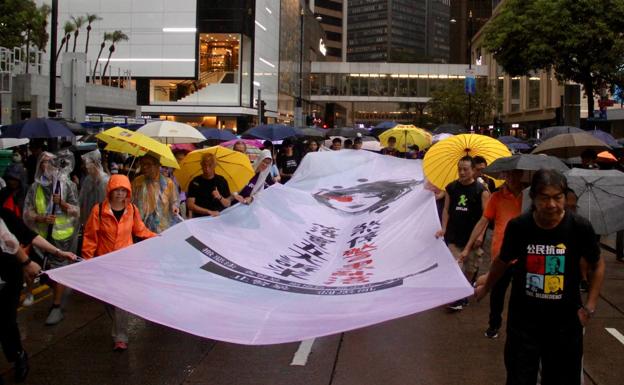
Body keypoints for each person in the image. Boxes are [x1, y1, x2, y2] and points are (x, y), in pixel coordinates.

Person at [475, 169, 605, 385]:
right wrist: (487, 287)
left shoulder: (579, 227)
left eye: (558, 197)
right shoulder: (519, 227)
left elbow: (598, 264)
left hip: (565, 324)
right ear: (533, 198)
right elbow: (502, 262)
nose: (552, 204)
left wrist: (589, 306)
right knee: (519, 377)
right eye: (545, 198)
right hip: (524, 322)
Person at [0, 208, 76, 383]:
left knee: (6, 322)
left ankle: (18, 355)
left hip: (8, 277)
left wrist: (58, 252)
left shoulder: (5, 215)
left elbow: (26, 236)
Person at [82, 174, 156, 351]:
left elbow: (140, 230)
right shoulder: (98, 210)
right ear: (110, 190)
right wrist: (87, 260)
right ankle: (118, 326)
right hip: (105, 262)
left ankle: (120, 336)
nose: (120, 194)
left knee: (120, 299)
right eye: (117, 190)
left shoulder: (132, 210)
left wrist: (158, 237)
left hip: (125, 263)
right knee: (108, 299)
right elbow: (91, 237)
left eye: (124, 190)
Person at [460, 169, 524, 338]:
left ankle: (517, 328)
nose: (511, 178)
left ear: (522, 175)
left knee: (520, 296)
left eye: (515, 174)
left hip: (524, 254)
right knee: (497, 293)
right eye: (508, 175)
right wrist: (468, 246)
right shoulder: (496, 197)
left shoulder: (530, 197)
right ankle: (494, 325)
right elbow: (483, 220)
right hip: (501, 254)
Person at [23, 151, 80, 326]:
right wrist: (40, 218)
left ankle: (56, 306)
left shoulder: (67, 186)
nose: (47, 166)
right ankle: (38, 292)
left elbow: (76, 211)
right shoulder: (35, 187)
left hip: (63, 237)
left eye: (50, 162)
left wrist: (62, 203)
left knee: (59, 272)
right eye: (43, 163)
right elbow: (27, 212)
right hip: (41, 238)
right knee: (35, 269)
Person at [435, 155, 490, 310]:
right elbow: (446, 209)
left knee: (471, 268)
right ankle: (458, 299)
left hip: (473, 237)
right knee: (456, 266)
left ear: (473, 170)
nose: (462, 172)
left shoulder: (482, 191)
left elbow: (486, 216)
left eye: (465, 169)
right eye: (459, 169)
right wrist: (444, 228)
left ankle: (463, 294)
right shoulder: (451, 187)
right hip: (454, 235)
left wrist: (480, 235)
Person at [131, 155, 180, 233]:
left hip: (162, 228)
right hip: (142, 227)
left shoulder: (168, 183)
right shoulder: (137, 182)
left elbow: (174, 201)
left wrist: (175, 207)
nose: (144, 167)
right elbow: (131, 201)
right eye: (143, 164)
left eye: (148, 164)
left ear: (158, 165)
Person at [186, 153, 231, 217]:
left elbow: (228, 204)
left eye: (210, 165)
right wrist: (208, 212)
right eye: (205, 165)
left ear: (215, 165)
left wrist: (219, 197)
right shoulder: (195, 182)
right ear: (201, 165)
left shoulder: (221, 181)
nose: (207, 169)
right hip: (200, 219)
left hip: (219, 218)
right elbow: (190, 205)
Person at [78, 150, 109, 227]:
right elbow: (82, 201)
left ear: (95, 163)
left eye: (86, 163)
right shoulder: (88, 180)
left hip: (102, 225)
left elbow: (106, 206)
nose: (84, 166)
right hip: (89, 223)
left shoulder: (105, 181)